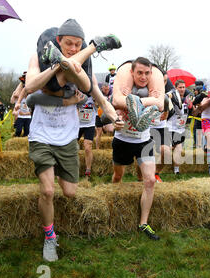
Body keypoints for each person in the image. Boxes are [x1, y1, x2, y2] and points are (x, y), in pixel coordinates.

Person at [25, 18, 122, 262]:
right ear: (57, 41)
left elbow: (94, 91)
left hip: (67, 136)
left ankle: (93, 46)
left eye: (79, 45)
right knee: (47, 191)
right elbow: (30, 88)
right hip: (42, 135)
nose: (72, 48)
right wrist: (58, 65)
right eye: (68, 44)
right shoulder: (38, 57)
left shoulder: (82, 64)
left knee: (69, 192)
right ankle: (49, 237)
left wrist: (109, 112)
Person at [111, 57, 164, 241]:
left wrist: (138, 103)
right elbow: (113, 106)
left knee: (149, 181)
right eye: (139, 73)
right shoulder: (124, 82)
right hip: (122, 140)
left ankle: (143, 223)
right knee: (118, 176)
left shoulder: (153, 87)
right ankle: (111, 203)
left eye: (147, 73)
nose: (143, 77)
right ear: (132, 72)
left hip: (143, 141)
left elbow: (161, 104)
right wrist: (115, 122)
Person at [166, 79, 189, 176]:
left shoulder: (188, 99)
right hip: (171, 127)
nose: (182, 89)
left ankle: (176, 170)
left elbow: (192, 112)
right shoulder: (171, 98)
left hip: (181, 128)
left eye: (184, 87)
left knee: (178, 148)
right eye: (180, 87)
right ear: (176, 88)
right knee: (170, 148)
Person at [78, 96, 97, 178]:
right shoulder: (76, 91)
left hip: (90, 124)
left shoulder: (93, 92)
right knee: (71, 146)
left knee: (88, 147)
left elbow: (100, 105)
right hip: (77, 124)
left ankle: (88, 170)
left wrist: (96, 101)